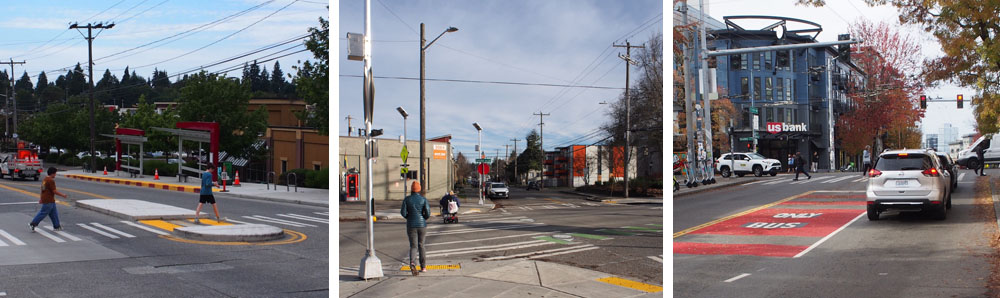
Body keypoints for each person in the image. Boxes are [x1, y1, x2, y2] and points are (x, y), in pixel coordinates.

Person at [400, 181, 430, 276]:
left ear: (411, 189)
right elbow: (428, 213)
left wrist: (409, 217)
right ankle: (423, 266)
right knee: (422, 245)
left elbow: (403, 212)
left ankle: (412, 262)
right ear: (419, 189)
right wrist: (423, 218)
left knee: (413, 246)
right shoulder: (423, 199)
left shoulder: (407, 199)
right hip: (422, 225)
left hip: (411, 225)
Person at [30, 167, 69, 231]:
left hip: (49, 200)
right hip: (48, 200)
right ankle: (33, 223)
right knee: (43, 213)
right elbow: (54, 191)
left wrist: (41, 198)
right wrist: (63, 195)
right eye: (55, 173)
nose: (55, 175)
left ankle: (57, 226)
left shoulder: (45, 179)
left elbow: (42, 190)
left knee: (54, 213)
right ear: (52, 173)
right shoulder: (51, 181)